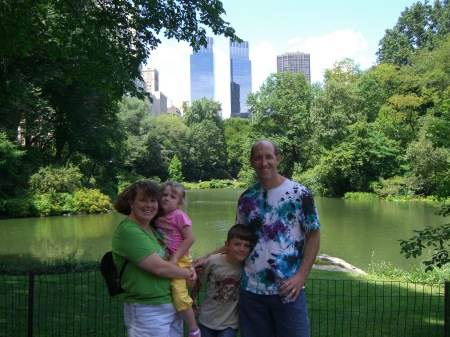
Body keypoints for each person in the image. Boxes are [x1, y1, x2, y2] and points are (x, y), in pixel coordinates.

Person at [193, 139, 321, 337]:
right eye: (258, 158)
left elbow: (313, 235)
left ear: (277, 159)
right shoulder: (247, 198)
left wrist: (300, 276)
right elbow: (237, 241)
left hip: (288, 290)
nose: (264, 162)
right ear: (252, 162)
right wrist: (206, 258)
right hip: (252, 292)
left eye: (269, 157)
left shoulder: (299, 194)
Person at [111, 180, 197, 337]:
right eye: (143, 200)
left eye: (153, 200)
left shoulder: (153, 229)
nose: (149, 205)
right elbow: (160, 268)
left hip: (171, 305)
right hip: (148, 311)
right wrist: (187, 273)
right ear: (131, 203)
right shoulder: (129, 231)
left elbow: (171, 258)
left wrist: (189, 268)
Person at [154, 182, 200, 337]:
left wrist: (175, 257)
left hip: (180, 259)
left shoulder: (179, 215)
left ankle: (194, 330)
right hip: (168, 258)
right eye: (164, 195)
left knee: (180, 294)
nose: (167, 199)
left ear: (179, 202)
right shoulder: (157, 215)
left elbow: (190, 238)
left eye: (172, 197)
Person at [191, 224, 252, 337]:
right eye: (237, 244)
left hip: (230, 323)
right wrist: (192, 299)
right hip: (207, 319)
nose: (242, 249)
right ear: (227, 245)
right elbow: (199, 282)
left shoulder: (247, 265)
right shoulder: (213, 261)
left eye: (246, 245)